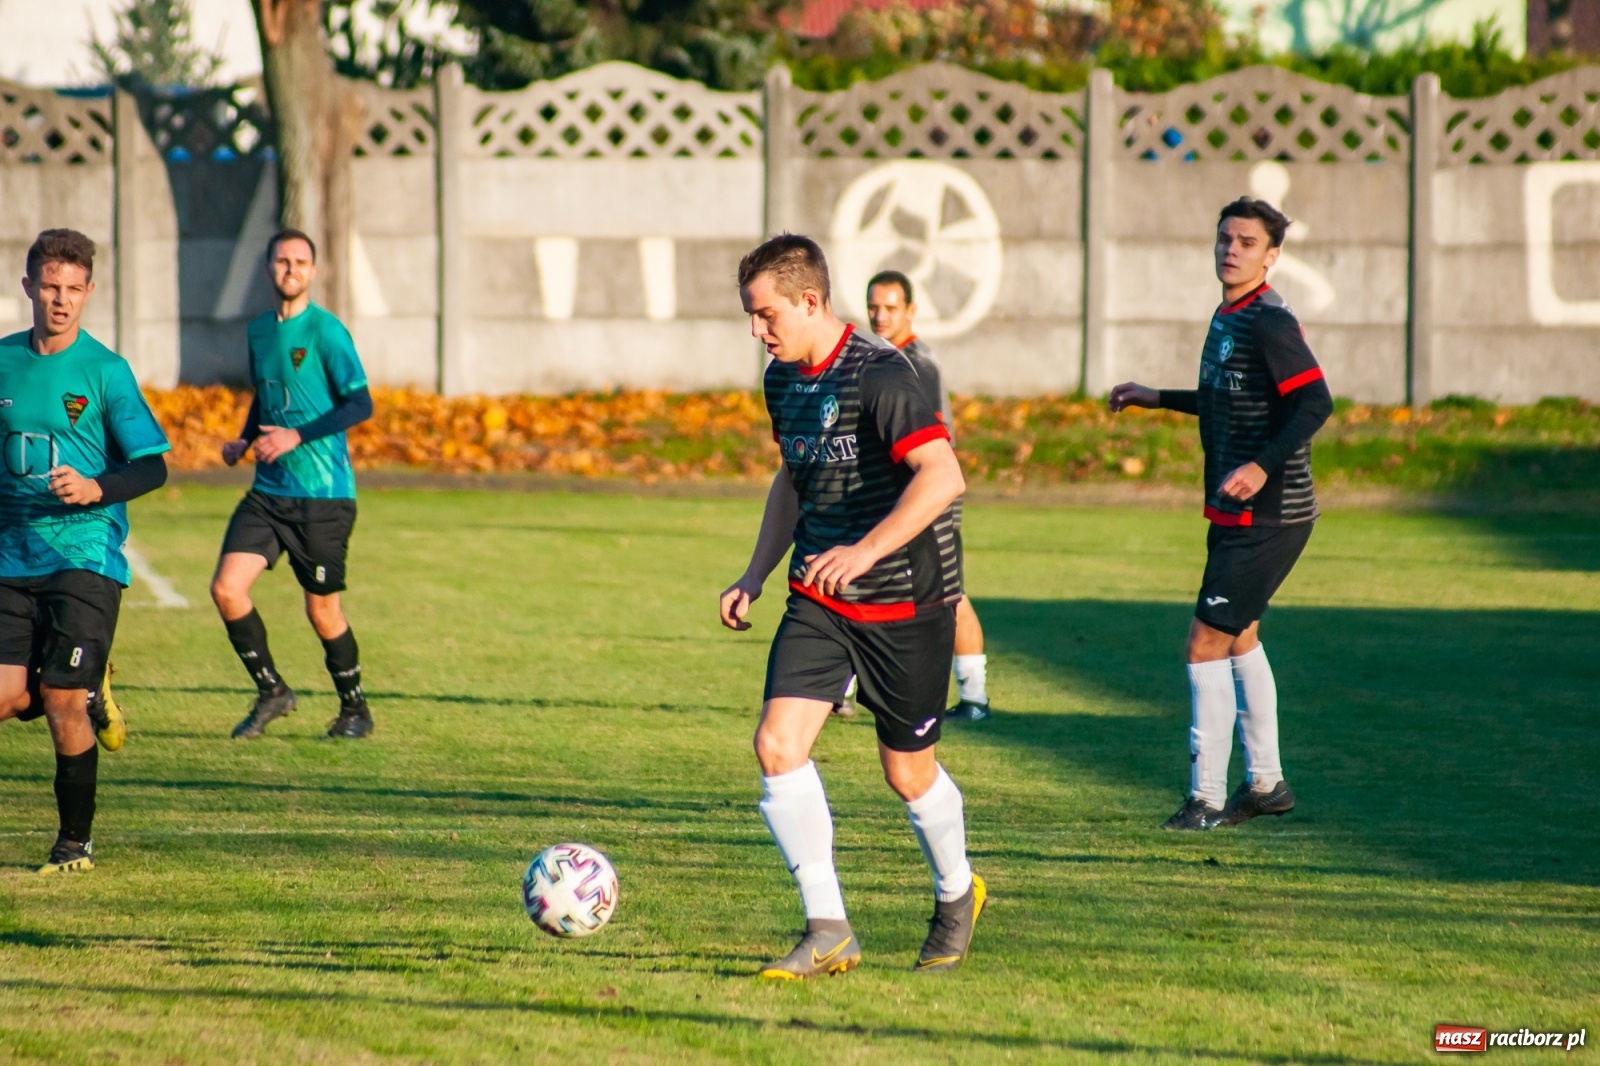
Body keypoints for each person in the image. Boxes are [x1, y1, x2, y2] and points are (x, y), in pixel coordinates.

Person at [719, 234, 984, 979]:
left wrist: (865, 552)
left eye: (766, 314)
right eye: (750, 316)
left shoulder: (883, 376)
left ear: (810, 301)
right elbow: (791, 479)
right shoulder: (781, 380)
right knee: (777, 746)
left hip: (905, 602)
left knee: (908, 775)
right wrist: (756, 572)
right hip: (819, 598)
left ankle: (958, 894)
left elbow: (943, 477)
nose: (756, 330)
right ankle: (828, 927)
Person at [1109, 197, 1333, 831]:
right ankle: (1265, 783)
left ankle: (1205, 798)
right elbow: (1227, 399)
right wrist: (1156, 398)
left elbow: (1315, 402)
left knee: (1204, 643)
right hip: (1241, 512)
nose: (1231, 250)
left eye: (1247, 242)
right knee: (1239, 638)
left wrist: (1262, 465)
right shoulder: (1230, 313)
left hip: (1269, 514)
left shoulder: (1267, 320)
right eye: (1225, 239)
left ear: (1272, 256)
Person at [0, 228, 171, 874]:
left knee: (62, 699)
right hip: (10, 557)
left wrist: (98, 486)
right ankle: (84, 679)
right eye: (50, 286)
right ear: (28, 288)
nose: (61, 299)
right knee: (12, 697)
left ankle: (74, 844)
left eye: (74, 288)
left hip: (84, 555)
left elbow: (152, 467)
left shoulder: (105, 372)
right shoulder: (4, 362)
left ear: (89, 292)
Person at [211, 229, 376, 740]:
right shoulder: (260, 331)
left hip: (322, 496)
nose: (291, 269)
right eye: (282, 261)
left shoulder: (327, 332)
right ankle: (272, 692)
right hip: (268, 492)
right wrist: (244, 441)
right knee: (226, 589)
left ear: (313, 271)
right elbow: (265, 397)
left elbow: (360, 403)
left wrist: (296, 436)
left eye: (301, 262)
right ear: (268, 268)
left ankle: (355, 710)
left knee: (321, 609)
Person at [865, 270, 991, 721]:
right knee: (871, 584)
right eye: (874, 307)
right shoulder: (882, 359)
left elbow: (933, 445)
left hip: (929, 499)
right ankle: (843, 691)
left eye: (891, 308)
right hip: (896, 498)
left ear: (911, 311)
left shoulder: (920, 362)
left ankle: (974, 698)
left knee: (950, 597)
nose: (880, 316)